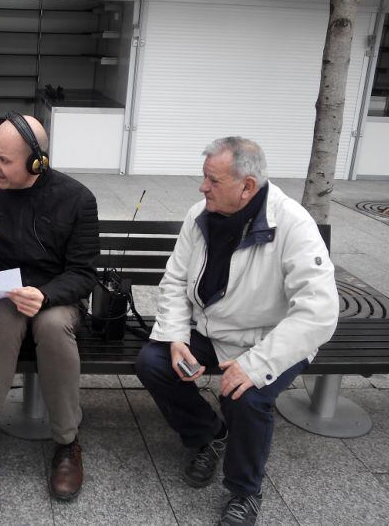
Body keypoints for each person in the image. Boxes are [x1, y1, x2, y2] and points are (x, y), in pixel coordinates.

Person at [136, 136, 339, 526]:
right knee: (154, 361)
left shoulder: (293, 225)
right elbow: (176, 280)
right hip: (210, 328)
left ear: (247, 186)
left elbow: (318, 311)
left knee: (245, 395)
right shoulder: (200, 214)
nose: (202, 187)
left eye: (213, 180)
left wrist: (255, 365)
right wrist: (177, 337)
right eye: (204, 177)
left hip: (270, 339)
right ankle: (210, 435)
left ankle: (245, 492)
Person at [0, 112, 100, 510]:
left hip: (57, 298)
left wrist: (46, 295)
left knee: (52, 326)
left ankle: (67, 444)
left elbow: (84, 273)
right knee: (5, 318)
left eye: (4, 160)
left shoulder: (77, 199)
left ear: (37, 163)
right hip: (2, 295)